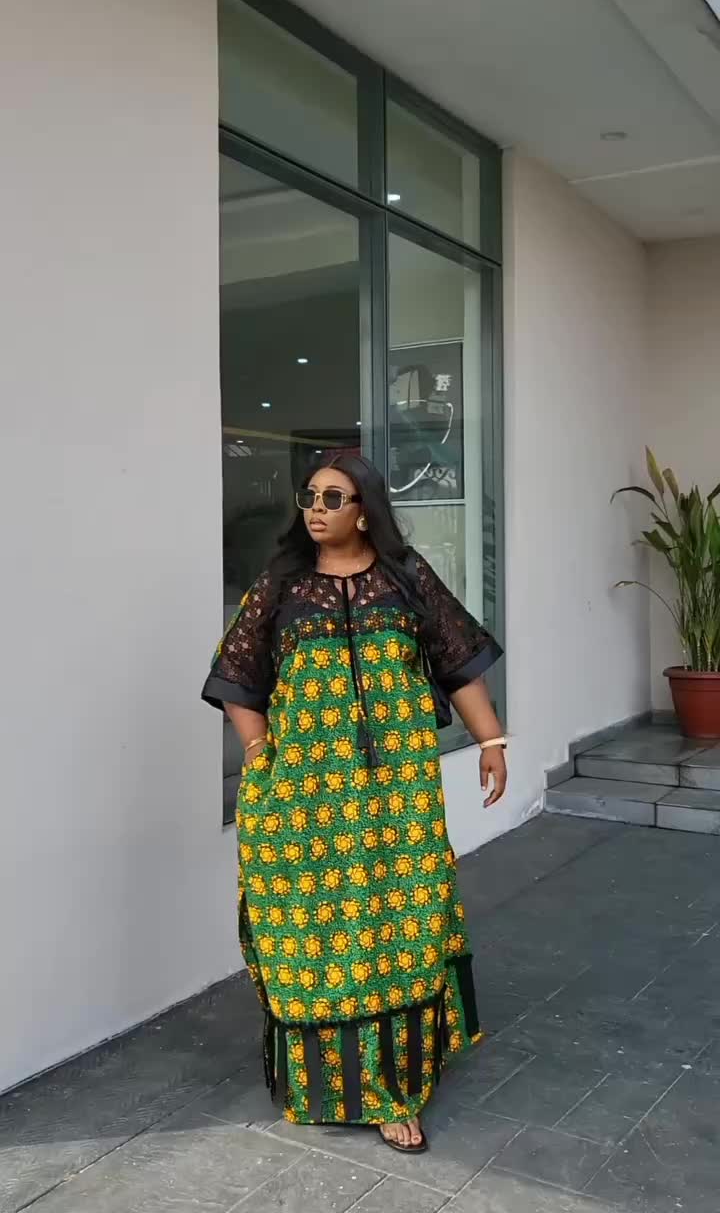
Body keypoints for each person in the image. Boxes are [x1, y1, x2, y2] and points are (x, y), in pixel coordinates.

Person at [202, 452, 507, 1153]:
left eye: (332, 498)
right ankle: (339, 1085)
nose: (316, 508)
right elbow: (237, 676)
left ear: (365, 511)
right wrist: (259, 751)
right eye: (309, 496)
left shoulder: (406, 579)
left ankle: (395, 1086)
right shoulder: (282, 586)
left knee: (401, 923)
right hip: (306, 799)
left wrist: (491, 741)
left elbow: (457, 662)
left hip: (397, 795)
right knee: (316, 930)